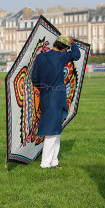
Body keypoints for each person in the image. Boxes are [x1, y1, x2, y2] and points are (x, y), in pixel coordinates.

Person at [32, 35, 81, 168]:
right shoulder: (62, 56)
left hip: (45, 97)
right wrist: (73, 43)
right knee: (52, 132)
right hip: (57, 99)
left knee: (56, 130)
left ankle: (54, 161)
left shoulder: (40, 57)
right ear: (64, 48)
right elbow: (76, 55)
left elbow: (34, 78)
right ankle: (45, 163)